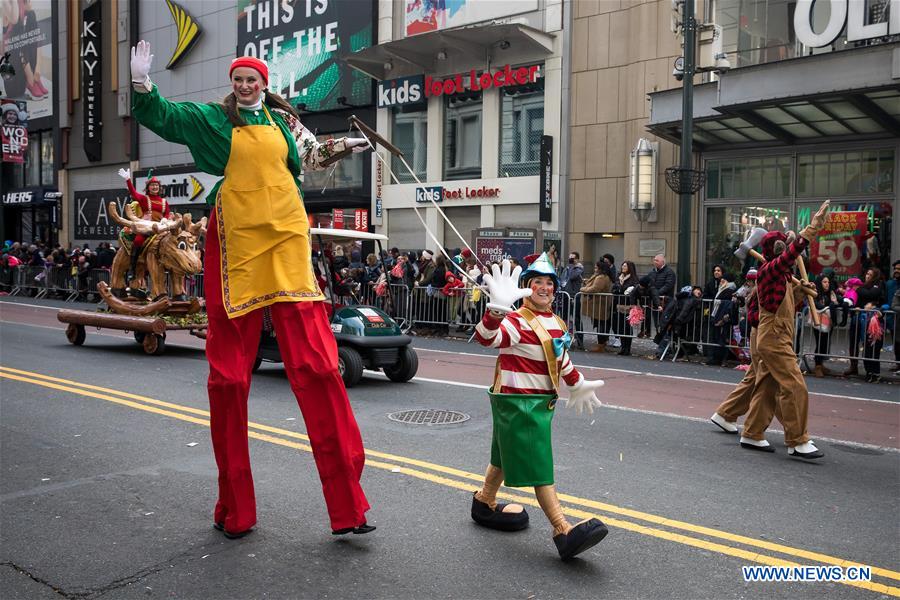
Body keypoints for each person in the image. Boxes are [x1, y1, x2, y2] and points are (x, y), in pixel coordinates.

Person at [128, 41, 373, 538]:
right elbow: (167, 118)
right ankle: (235, 509)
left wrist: (350, 144)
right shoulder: (216, 119)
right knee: (228, 379)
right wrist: (142, 85)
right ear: (233, 84)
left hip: (286, 239)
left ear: (263, 84)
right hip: (237, 243)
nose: (244, 86)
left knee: (319, 366)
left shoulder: (285, 122)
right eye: (238, 79)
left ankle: (348, 507)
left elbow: (314, 154)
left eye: (251, 79)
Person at [473, 255, 608, 560]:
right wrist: (496, 311)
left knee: (503, 456)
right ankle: (562, 529)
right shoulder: (517, 320)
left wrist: (577, 383)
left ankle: (484, 501)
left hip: (539, 403)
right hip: (520, 403)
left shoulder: (556, 322)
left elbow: (560, 358)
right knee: (539, 464)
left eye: (549, 282)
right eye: (538, 282)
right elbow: (487, 338)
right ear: (527, 287)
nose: (544, 288)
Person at [740, 199, 830, 460]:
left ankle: (752, 432)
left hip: (776, 336)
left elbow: (785, 304)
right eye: (781, 247)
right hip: (774, 337)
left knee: (767, 388)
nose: (785, 251)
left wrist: (801, 291)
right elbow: (794, 251)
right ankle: (798, 440)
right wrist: (813, 227)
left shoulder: (780, 276)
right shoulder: (770, 270)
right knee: (795, 386)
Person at [710, 269, 781, 433]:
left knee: (761, 379)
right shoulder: (760, 289)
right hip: (766, 335)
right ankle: (794, 434)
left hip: (769, 334)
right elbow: (754, 315)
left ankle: (727, 414)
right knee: (780, 383)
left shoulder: (769, 284)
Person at [117, 167, 173, 291]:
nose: (155, 187)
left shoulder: (164, 201)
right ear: (148, 188)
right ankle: (132, 269)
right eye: (152, 185)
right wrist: (128, 179)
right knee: (137, 241)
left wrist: (165, 219)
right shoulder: (143, 199)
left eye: (156, 185)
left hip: (161, 228)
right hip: (146, 227)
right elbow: (133, 193)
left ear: (159, 187)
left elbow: (167, 214)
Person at [844, 267, 886, 378]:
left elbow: (871, 294)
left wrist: (858, 289)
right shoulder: (863, 285)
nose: (867, 276)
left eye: (870, 275)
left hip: (869, 319)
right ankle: (853, 366)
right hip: (856, 316)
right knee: (853, 342)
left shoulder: (878, 284)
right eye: (867, 273)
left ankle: (871, 371)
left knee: (868, 344)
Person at [811, 275, 841, 378]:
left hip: (828, 323)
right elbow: (814, 303)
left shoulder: (830, 293)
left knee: (825, 343)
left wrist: (836, 302)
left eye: (828, 282)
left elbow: (837, 301)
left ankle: (821, 364)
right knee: (820, 343)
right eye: (824, 282)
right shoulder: (816, 293)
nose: (827, 284)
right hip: (818, 322)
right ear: (820, 283)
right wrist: (826, 308)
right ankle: (817, 367)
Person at [579, 260, 613, 352]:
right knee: (599, 324)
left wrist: (582, 289)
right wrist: (587, 282)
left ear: (600, 268)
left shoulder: (601, 277)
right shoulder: (600, 276)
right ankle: (601, 343)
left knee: (600, 324)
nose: (594, 269)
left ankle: (601, 344)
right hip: (598, 304)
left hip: (599, 304)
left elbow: (595, 288)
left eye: (596, 267)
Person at [613, 260, 640, 356]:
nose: (623, 267)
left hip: (628, 305)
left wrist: (623, 289)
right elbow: (614, 288)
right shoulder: (619, 277)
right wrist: (618, 288)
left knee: (627, 327)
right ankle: (623, 347)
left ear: (630, 268)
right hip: (619, 304)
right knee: (620, 327)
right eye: (622, 266)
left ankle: (627, 348)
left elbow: (633, 290)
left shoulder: (633, 279)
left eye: (625, 266)